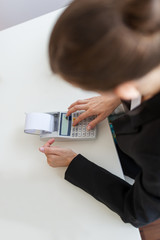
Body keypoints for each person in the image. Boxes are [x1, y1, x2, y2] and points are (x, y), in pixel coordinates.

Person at [39, 0, 160, 227]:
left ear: (125, 86)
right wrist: (114, 97)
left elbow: (138, 212)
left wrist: (75, 164)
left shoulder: (153, 146)